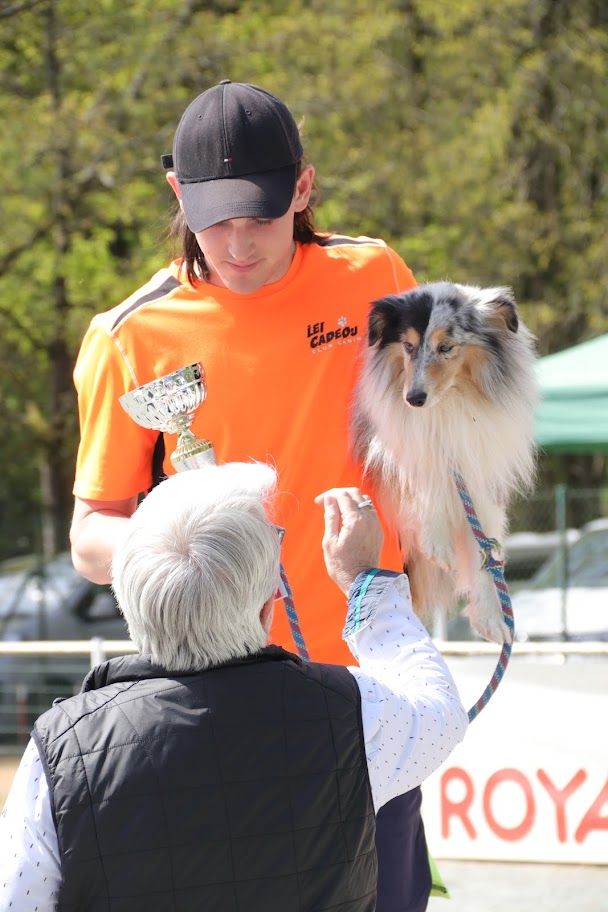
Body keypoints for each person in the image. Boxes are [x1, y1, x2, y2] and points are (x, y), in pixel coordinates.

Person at [68, 80, 428, 908]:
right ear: (176, 195)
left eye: (259, 216)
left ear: (302, 188)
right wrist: (201, 545)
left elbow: (432, 431)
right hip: (212, 705)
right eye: (214, 218)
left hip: (365, 686)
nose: (236, 244)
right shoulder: (130, 333)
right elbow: (91, 538)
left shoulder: (374, 275)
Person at [1, 463, 468, 911]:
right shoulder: (352, 715)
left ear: (129, 601)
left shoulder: (61, 747)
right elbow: (437, 710)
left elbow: (19, 898)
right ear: (269, 607)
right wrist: (366, 582)